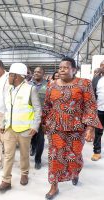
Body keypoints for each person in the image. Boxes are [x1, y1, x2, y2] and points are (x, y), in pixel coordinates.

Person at [42, 57, 102, 200]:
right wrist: (43, 123)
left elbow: (90, 105)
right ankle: (54, 185)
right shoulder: (51, 85)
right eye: (60, 67)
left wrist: (90, 128)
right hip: (55, 127)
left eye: (66, 67)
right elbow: (47, 105)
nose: (62, 69)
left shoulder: (84, 84)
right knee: (54, 156)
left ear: (74, 70)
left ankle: (74, 172)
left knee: (74, 156)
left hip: (76, 128)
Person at [0, 63, 41, 192]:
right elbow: (7, 109)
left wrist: (35, 126)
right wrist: (3, 124)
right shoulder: (9, 90)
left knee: (24, 154)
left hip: (25, 129)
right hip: (10, 128)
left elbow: (37, 109)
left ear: (16, 76)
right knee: (8, 155)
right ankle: (6, 180)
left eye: (9, 75)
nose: (8, 77)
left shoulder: (30, 89)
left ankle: (24, 173)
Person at [29, 66, 48, 169]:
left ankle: (38, 160)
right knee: (31, 136)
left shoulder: (48, 86)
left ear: (43, 74)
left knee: (40, 139)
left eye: (39, 72)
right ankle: (33, 147)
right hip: (29, 116)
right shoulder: (27, 84)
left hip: (42, 117)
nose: (36, 73)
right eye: (35, 72)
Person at [91, 60, 104, 161]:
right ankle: (97, 151)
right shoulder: (96, 79)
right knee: (98, 131)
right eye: (102, 65)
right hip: (100, 110)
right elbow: (92, 94)